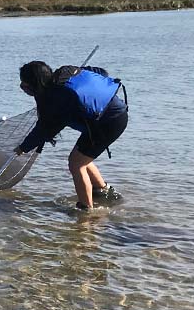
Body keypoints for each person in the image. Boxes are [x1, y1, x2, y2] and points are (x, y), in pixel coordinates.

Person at [15, 60, 128, 210]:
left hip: (108, 124)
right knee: (82, 156)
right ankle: (102, 191)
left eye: (24, 85)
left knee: (76, 163)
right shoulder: (67, 72)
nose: (22, 88)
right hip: (115, 112)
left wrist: (23, 147)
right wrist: (80, 73)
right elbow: (102, 72)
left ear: (34, 85)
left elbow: (44, 129)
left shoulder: (56, 100)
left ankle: (86, 209)